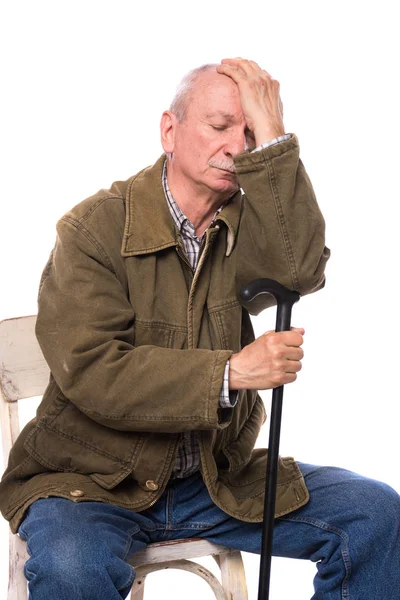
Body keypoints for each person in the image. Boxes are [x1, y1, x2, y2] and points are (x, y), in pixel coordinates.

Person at [0, 58, 399, 599]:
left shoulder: (245, 221)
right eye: (219, 126)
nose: (237, 146)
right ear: (170, 130)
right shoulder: (92, 229)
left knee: (376, 515)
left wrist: (275, 140)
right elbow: (92, 370)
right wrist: (230, 372)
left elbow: (300, 271)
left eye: (250, 132)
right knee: (72, 567)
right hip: (89, 485)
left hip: (213, 481)